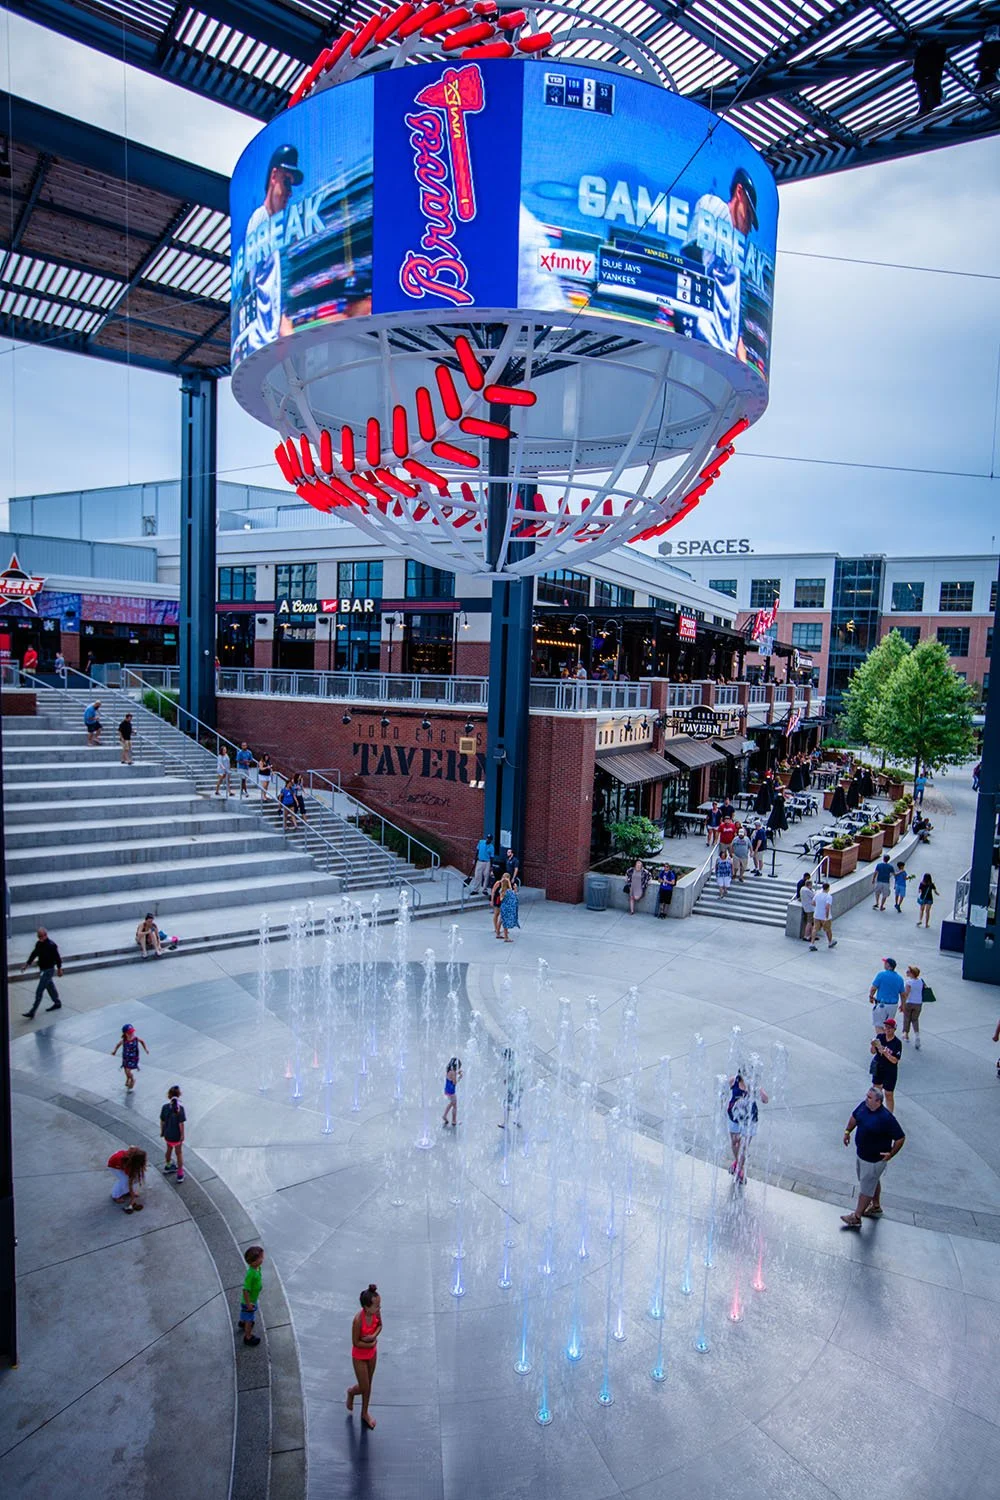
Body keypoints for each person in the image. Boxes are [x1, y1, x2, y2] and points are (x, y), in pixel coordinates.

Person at [232, 144, 303, 364]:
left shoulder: (275, 226)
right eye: (287, 181)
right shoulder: (261, 220)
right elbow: (255, 284)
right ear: (274, 176)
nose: (290, 192)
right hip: (265, 341)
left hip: (270, 340)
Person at [686, 167, 759, 361]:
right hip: (704, 341)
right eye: (749, 215)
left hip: (723, 352)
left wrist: (739, 347)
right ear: (739, 193)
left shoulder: (736, 254)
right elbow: (691, 255)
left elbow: (735, 304)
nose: (748, 226)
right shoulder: (716, 208)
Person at [840, 1084, 905, 1229]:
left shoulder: (886, 1118)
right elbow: (854, 1117)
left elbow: (900, 1138)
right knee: (871, 1181)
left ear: (878, 1102)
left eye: (869, 1098)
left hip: (874, 1161)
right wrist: (847, 1131)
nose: (866, 1099)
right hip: (862, 1155)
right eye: (867, 1096)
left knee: (866, 1188)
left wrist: (891, 1154)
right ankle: (875, 1206)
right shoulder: (864, 1107)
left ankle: (856, 1216)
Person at [347, 1284, 382, 1429]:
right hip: (359, 1356)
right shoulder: (357, 1321)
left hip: (372, 1353)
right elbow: (355, 1343)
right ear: (367, 1308)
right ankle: (351, 1392)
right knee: (364, 1386)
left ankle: (364, 1412)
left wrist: (373, 1336)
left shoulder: (376, 1314)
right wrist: (371, 1343)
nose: (379, 1309)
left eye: (379, 1305)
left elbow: (380, 1326)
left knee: (369, 1385)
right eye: (376, 1306)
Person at [726, 1069, 769, 1184]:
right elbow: (723, 1091)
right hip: (734, 1117)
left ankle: (740, 1169)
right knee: (735, 1143)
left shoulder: (754, 1086)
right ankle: (737, 1162)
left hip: (749, 1120)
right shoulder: (733, 1080)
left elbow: (765, 1100)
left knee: (744, 1146)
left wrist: (757, 1088)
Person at [21, 926, 63, 1018]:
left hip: (48, 970)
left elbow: (57, 958)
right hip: (42, 969)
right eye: (38, 936)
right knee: (50, 986)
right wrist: (27, 964)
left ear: (45, 935)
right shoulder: (39, 944)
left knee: (39, 991)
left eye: (41, 936)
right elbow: (34, 954)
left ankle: (32, 1011)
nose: (39, 938)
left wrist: (59, 969)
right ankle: (57, 1002)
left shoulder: (51, 945)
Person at [870, 1015, 902, 1112]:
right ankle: (875, 1110)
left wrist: (885, 1052)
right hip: (879, 1066)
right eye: (886, 1027)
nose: (887, 1029)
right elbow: (873, 1052)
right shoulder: (880, 1037)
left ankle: (889, 1114)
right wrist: (873, 1045)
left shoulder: (897, 1043)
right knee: (876, 1090)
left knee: (888, 1093)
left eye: (890, 1028)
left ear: (894, 1029)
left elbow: (895, 1060)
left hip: (890, 1070)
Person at [239, 1246, 266, 1348]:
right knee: (249, 1320)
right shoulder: (250, 1274)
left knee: (244, 1314)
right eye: (261, 1258)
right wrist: (248, 1304)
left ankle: (242, 1322)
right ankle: (248, 1336)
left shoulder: (257, 1268)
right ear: (253, 1261)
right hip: (249, 1302)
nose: (263, 1259)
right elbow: (245, 1290)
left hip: (251, 1300)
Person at [107, 1146, 146, 1213]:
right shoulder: (127, 1163)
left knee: (134, 1179)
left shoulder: (133, 1156)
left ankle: (127, 1192)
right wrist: (132, 1197)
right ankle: (115, 1196)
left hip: (122, 1163)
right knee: (124, 1180)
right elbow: (130, 1181)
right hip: (114, 1166)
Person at [869, 957, 905, 1031]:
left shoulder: (881, 975)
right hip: (893, 1006)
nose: (884, 964)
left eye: (885, 963)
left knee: (879, 1026)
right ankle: (887, 1039)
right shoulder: (899, 978)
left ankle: (882, 1041)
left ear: (888, 965)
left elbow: (873, 988)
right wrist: (903, 1005)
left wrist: (871, 996)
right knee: (888, 1026)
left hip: (882, 1005)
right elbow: (903, 994)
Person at [160, 1085, 186, 1181]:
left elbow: (162, 1121)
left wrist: (162, 1131)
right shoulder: (180, 1108)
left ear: (169, 1095)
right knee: (179, 1153)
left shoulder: (165, 1107)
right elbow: (181, 1123)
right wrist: (182, 1135)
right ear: (179, 1095)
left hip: (168, 1134)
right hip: (177, 1135)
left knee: (169, 1149)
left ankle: (168, 1165)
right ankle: (180, 1174)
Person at [111, 1023, 149, 1090]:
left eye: (132, 1032)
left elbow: (142, 1042)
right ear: (125, 1033)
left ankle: (132, 1079)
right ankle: (128, 1078)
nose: (131, 1034)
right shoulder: (124, 1040)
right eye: (129, 1033)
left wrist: (146, 1049)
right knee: (126, 1070)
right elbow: (118, 1045)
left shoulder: (136, 1039)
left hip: (133, 1058)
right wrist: (114, 1051)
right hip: (126, 1058)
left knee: (128, 1070)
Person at [900, 965, 925, 1049]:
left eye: (908, 972)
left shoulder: (909, 983)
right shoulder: (921, 981)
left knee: (906, 1018)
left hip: (909, 1002)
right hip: (918, 1003)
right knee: (915, 1019)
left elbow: (906, 994)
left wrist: (902, 1004)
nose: (906, 973)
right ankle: (917, 1035)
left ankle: (906, 1034)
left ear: (912, 973)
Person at [810, 882, 836, 950]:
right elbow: (827, 907)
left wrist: (818, 906)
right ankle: (830, 942)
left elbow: (813, 903)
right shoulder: (828, 896)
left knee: (815, 929)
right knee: (828, 929)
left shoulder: (817, 895)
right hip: (824, 916)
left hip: (816, 915)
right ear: (828, 888)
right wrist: (826, 917)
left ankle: (812, 943)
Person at [499, 874, 520, 941]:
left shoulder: (502, 891)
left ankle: (504, 936)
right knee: (507, 921)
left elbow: (501, 899)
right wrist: (515, 888)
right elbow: (515, 896)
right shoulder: (509, 892)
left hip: (503, 908)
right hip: (508, 909)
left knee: (504, 921)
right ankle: (506, 937)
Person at [442, 1056, 462, 1127]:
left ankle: (445, 1116)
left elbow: (452, 1076)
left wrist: (457, 1073)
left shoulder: (449, 1071)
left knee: (452, 1104)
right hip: (451, 1091)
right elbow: (454, 1083)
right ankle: (453, 1120)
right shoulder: (453, 1073)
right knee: (455, 1106)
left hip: (447, 1090)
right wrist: (460, 1078)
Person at [798, 873, 816, 944]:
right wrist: (811, 890)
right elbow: (814, 896)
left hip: (806, 908)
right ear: (809, 885)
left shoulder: (802, 889)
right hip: (810, 909)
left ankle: (811, 935)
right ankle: (806, 936)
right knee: (809, 922)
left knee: (811, 922)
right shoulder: (807, 891)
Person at [490, 870, 505, 939]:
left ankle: (500, 928)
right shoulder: (498, 883)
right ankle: (496, 928)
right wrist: (492, 900)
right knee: (496, 914)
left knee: (502, 915)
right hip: (497, 899)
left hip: (503, 900)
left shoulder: (506, 884)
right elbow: (493, 891)